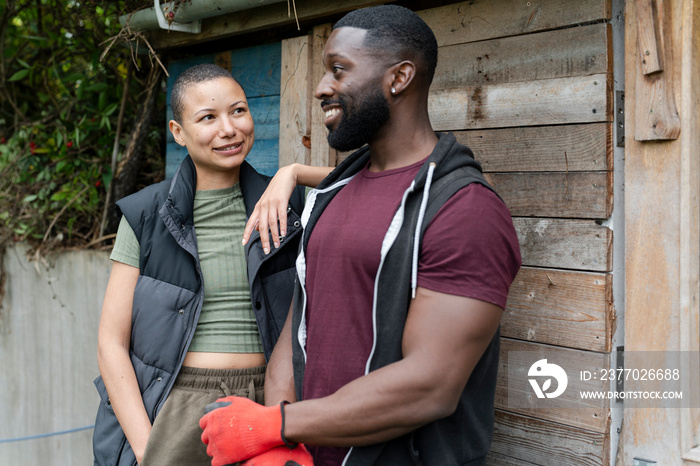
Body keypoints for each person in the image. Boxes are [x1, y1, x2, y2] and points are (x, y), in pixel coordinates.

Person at [199, 5, 522, 466]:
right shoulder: (333, 190)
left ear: (400, 77)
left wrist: (279, 425)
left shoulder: (463, 208)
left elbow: (430, 386)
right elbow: (297, 331)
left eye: (338, 70)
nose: (321, 87)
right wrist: (282, 442)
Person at [93, 63, 317, 466]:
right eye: (208, 118)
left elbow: (374, 180)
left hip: (268, 405)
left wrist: (293, 174)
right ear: (178, 132)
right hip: (176, 408)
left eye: (238, 111)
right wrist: (147, 447)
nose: (229, 129)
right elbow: (111, 342)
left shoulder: (290, 206)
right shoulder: (146, 215)